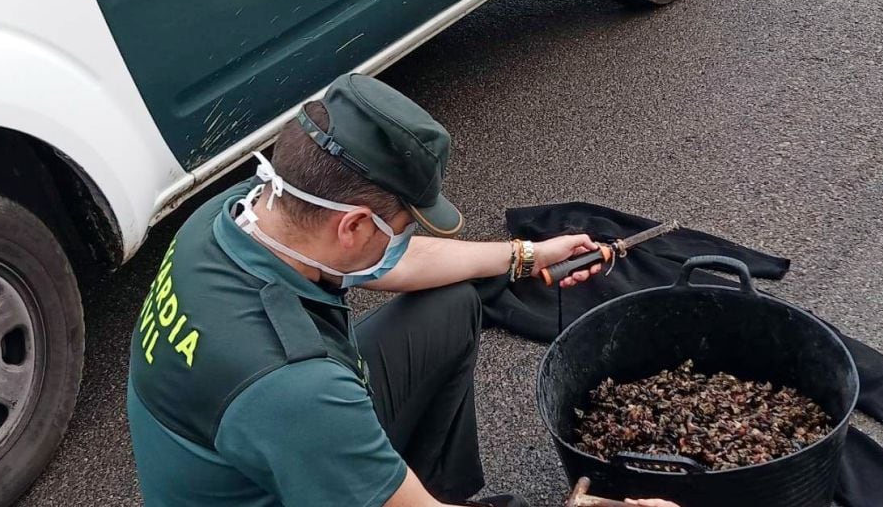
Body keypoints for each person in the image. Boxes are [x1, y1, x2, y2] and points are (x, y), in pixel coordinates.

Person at [126, 73, 677, 507]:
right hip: (286, 471)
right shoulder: (296, 387)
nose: (405, 239)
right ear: (354, 227)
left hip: (266, 446)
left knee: (455, 302)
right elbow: (300, 398)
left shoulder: (246, 213)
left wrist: (526, 257)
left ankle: (439, 488)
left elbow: (387, 262)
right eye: (404, 226)